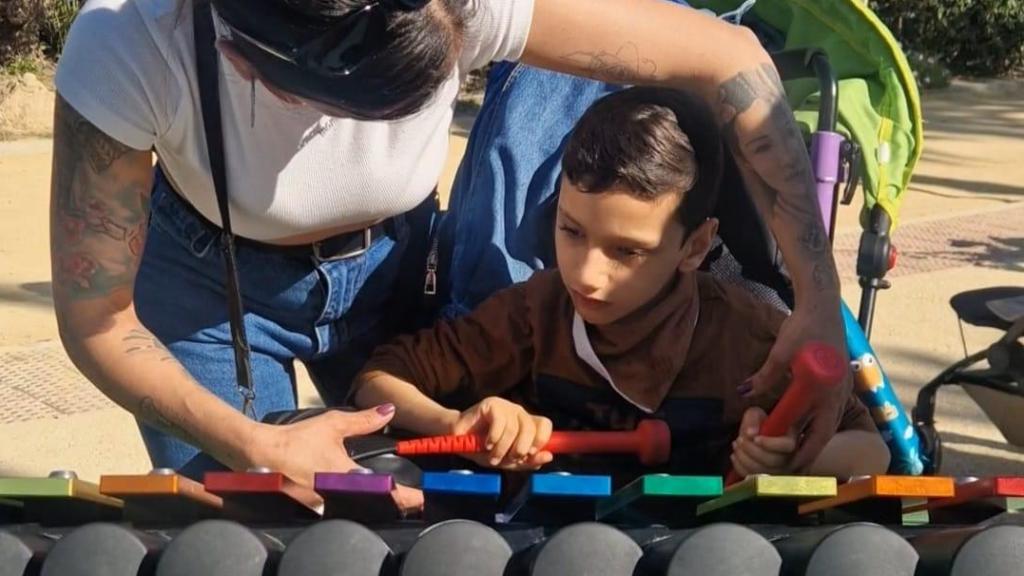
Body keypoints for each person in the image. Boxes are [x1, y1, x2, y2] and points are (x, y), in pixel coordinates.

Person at [50, 0, 851, 489]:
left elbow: (732, 61)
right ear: (250, 66)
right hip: (204, 279)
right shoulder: (131, 41)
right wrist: (253, 441)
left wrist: (818, 301)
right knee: (243, 519)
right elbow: (98, 321)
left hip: (391, 263)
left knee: (409, 511)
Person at [353, 87, 890, 479]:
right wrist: (458, 422)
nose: (586, 274)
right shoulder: (535, 313)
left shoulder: (753, 338)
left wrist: (792, 458)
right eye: (570, 230)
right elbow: (377, 380)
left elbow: (873, 453)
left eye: (628, 251)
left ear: (696, 247)